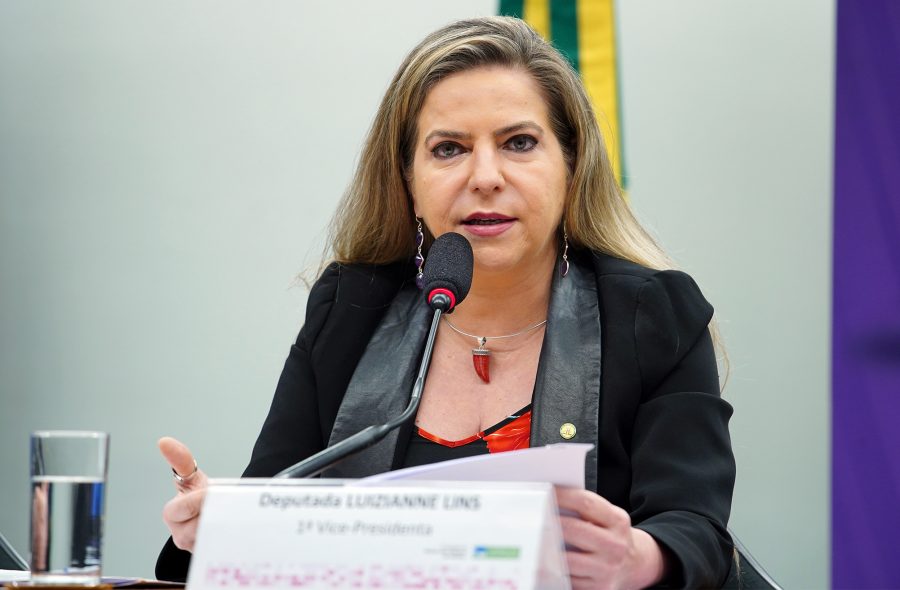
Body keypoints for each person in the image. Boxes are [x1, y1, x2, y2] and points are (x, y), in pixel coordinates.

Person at [156, 16, 735, 589]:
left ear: (572, 165)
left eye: (519, 143)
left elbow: (697, 531)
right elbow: (274, 503)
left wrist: (637, 558)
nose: (485, 177)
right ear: (408, 181)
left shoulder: (651, 314)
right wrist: (219, 527)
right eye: (449, 148)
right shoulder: (350, 308)